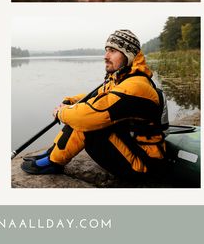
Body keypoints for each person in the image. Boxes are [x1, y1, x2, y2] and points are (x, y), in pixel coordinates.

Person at [21, 29, 167, 180]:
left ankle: (54, 162)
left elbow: (91, 115)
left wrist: (62, 113)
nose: (106, 56)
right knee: (81, 111)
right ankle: (53, 152)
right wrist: (71, 101)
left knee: (87, 122)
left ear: (128, 56)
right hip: (134, 148)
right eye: (106, 50)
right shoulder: (123, 79)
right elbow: (98, 98)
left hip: (144, 164)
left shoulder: (135, 87)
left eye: (112, 51)